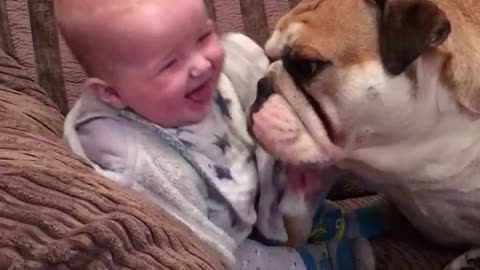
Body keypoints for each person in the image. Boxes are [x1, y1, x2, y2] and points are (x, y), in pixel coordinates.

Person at [56, 0, 387, 269]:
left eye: (202, 38)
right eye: (169, 64)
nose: (201, 64)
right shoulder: (126, 157)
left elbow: (259, 127)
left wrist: (284, 182)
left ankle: (330, 222)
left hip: (253, 201)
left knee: (301, 190)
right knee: (251, 262)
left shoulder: (219, 76)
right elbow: (180, 245)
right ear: (113, 95)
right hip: (223, 240)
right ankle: (317, 260)